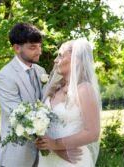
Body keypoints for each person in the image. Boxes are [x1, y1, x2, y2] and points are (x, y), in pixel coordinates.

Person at [35, 38, 101, 167]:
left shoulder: (84, 89)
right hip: (48, 158)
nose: (55, 60)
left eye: (60, 55)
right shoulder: (54, 88)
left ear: (75, 60)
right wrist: (47, 144)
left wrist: (56, 144)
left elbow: (93, 133)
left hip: (73, 160)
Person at [0, 22, 46, 167]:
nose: (39, 52)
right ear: (17, 48)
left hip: (43, 157)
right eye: (32, 47)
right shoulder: (5, 76)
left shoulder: (41, 71)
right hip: (16, 154)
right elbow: (16, 114)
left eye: (39, 46)